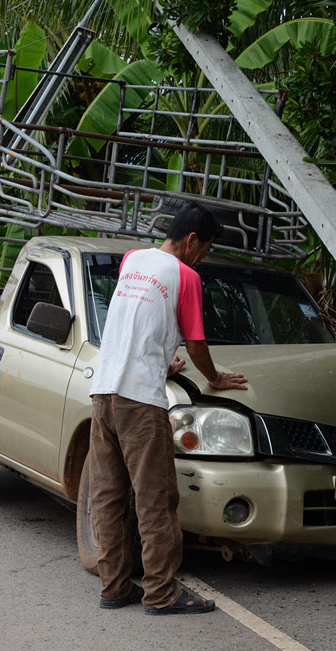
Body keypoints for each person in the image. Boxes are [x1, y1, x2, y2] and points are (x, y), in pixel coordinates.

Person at [87, 203, 248, 615]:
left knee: (108, 496)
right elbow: (196, 344)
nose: (203, 259)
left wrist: (160, 360)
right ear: (191, 240)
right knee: (155, 499)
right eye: (206, 250)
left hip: (103, 393)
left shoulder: (132, 260)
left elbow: (137, 324)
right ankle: (161, 592)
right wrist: (213, 377)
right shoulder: (186, 276)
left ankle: (114, 587)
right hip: (140, 400)